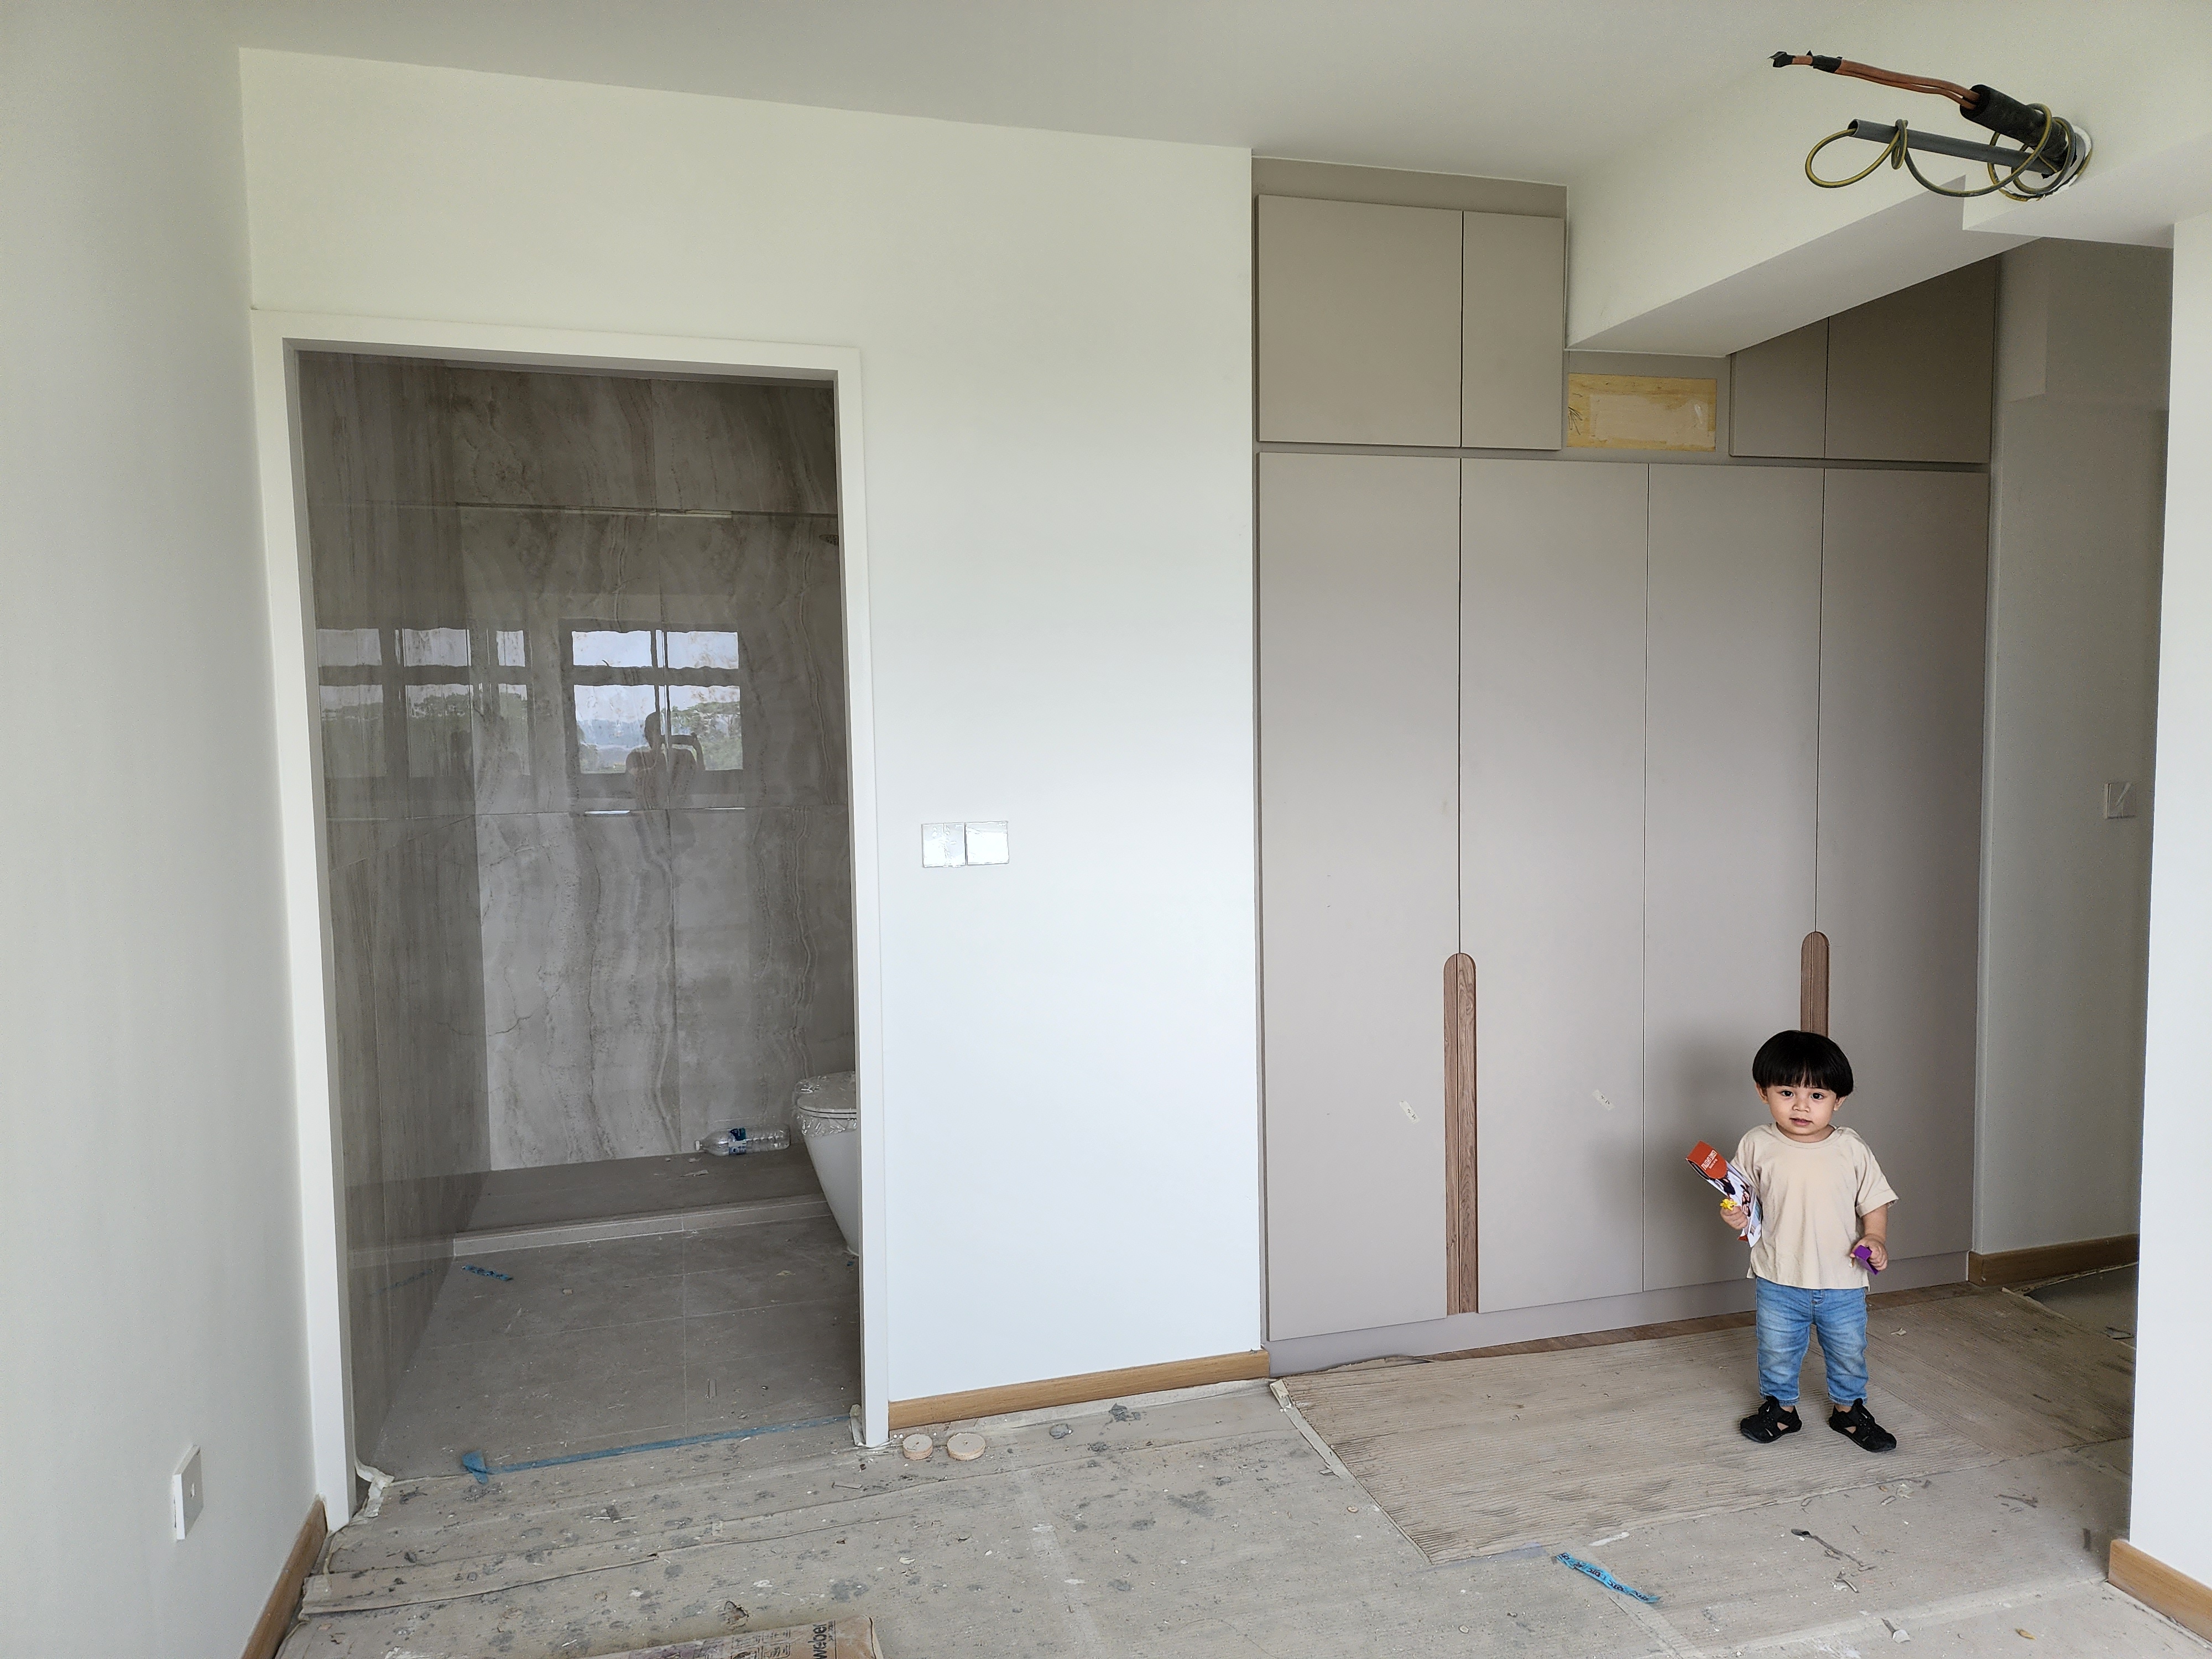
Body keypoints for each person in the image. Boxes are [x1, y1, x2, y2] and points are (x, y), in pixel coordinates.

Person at [1721, 1029, 1900, 1453]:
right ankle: (1781, 1409)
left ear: (1839, 1101)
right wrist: (1735, 1216)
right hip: (1779, 1275)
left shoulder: (1851, 1148)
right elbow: (1739, 1200)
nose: (1801, 1106)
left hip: (1842, 1279)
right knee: (1777, 1349)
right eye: (1787, 1092)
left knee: (1848, 1349)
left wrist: (1875, 1235)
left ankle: (1848, 1410)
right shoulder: (1756, 1144)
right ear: (1763, 1093)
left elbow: (1875, 1200)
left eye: (1817, 1095)